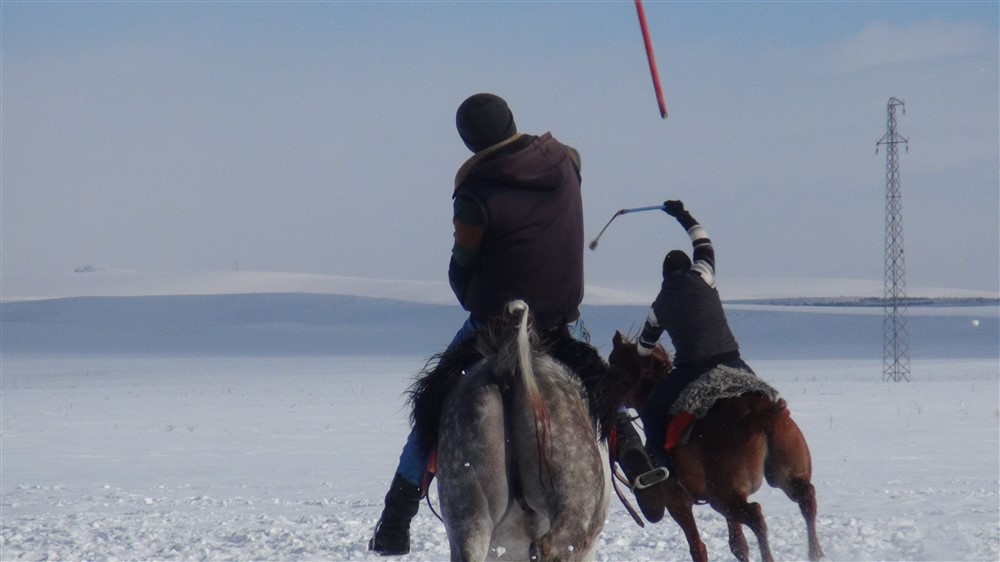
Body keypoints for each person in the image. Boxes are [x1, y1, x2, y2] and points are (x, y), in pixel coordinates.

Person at [369, 93, 663, 556]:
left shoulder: (473, 196)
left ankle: (397, 514)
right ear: (511, 120)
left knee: (431, 406)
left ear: (469, 142)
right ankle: (634, 455)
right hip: (561, 321)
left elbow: (462, 270)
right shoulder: (565, 163)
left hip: (494, 324)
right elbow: (574, 162)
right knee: (601, 390)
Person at [635, 200, 756, 475]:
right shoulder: (703, 275)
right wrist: (680, 213)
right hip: (731, 359)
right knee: (764, 397)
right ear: (689, 266)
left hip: (693, 370)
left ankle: (664, 466)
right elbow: (702, 238)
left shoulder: (660, 305)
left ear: (664, 276)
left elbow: (644, 348)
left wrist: (643, 366)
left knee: (652, 411)